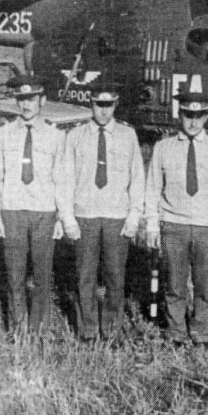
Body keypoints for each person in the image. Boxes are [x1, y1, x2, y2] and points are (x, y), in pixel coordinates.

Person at [144, 91, 208, 347]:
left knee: (205, 283)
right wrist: (152, 225)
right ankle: (176, 331)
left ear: (206, 117)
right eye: (188, 115)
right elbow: (152, 190)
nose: (193, 121)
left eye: (198, 116)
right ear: (180, 115)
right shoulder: (163, 147)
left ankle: (201, 330)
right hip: (173, 225)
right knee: (174, 284)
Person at [60, 81, 144, 342]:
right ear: (91, 103)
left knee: (115, 276)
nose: (104, 111)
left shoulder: (128, 135)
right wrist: (67, 218)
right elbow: (65, 179)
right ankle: (88, 330)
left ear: (116, 104)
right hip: (85, 215)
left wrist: (134, 216)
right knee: (84, 276)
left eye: (109, 105)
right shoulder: (75, 136)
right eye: (99, 105)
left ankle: (111, 329)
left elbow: (137, 179)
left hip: (116, 216)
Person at [0, 75, 73, 332]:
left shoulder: (55, 136)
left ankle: (39, 329)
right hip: (12, 210)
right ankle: (17, 328)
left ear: (42, 101)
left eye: (31, 99)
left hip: (43, 212)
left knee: (42, 274)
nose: (26, 105)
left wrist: (61, 217)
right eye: (21, 99)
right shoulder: (3, 134)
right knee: (14, 275)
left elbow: (62, 179)